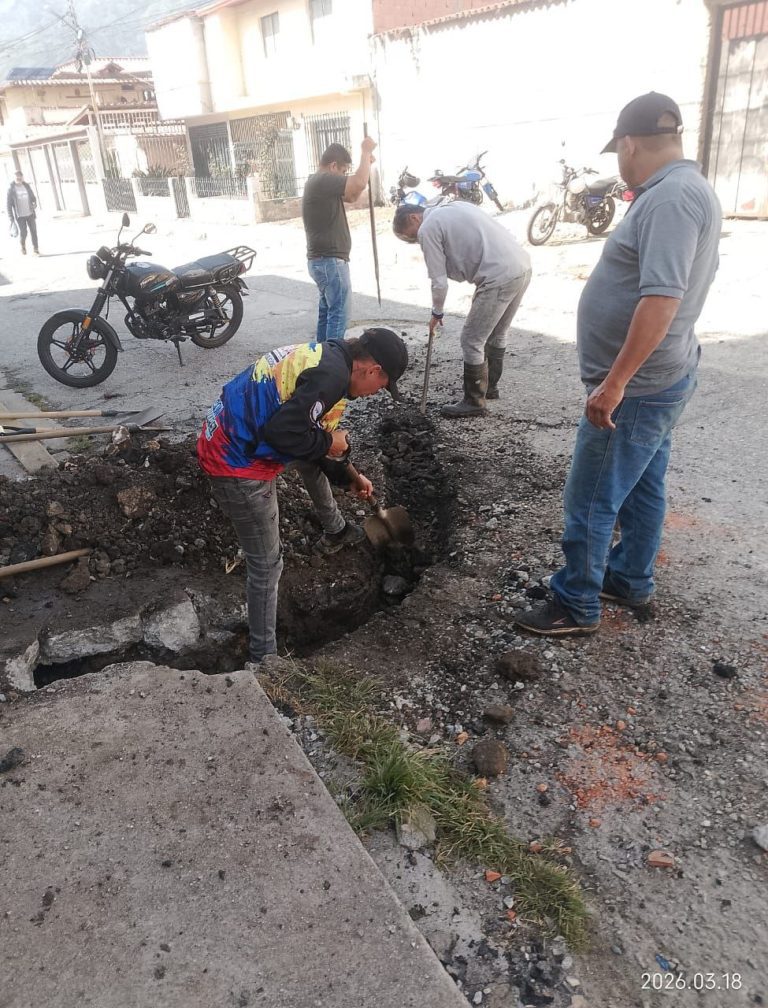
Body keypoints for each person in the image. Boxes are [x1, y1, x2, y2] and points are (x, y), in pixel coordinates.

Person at [515, 92, 721, 637]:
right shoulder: (684, 189)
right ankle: (629, 578)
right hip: (660, 379)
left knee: (590, 498)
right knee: (643, 485)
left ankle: (575, 603)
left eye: (619, 153)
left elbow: (662, 299)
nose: (620, 163)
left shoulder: (672, 199)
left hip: (639, 388)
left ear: (629, 144)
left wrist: (615, 383)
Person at [197, 328, 409, 664]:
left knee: (311, 460)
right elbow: (284, 433)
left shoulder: (333, 357)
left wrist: (349, 475)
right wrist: (328, 443)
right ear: (373, 370)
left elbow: (312, 436)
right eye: (381, 386)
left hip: (237, 432)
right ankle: (264, 659)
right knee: (267, 564)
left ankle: (336, 529)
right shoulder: (331, 378)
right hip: (234, 460)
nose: (374, 394)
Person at [393, 199, 531, 418]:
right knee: (497, 332)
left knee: (471, 339)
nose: (416, 241)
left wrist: (437, 312)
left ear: (414, 218)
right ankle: (490, 387)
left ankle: (474, 401)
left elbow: (439, 281)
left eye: (412, 237)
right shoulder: (453, 206)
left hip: (498, 276)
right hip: (521, 266)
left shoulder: (428, 227)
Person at [302, 138, 377, 343]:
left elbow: (352, 195)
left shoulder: (319, 184)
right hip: (330, 261)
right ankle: (333, 359)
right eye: (343, 171)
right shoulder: (322, 180)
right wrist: (365, 152)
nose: (344, 176)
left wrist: (366, 164)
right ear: (333, 166)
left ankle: (321, 357)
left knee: (327, 313)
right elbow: (358, 183)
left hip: (324, 261)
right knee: (338, 317)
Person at [6, 170, 39, 255]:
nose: (18, 177)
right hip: (20, 216)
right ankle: (23, 246)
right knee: (24, 233)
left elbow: (33, 197)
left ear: (22, 177)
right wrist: (11, 218)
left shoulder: (26, 186)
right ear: (14, 177)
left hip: (30, 213)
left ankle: (35, 249)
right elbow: (8, 205)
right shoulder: (11, 189)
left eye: (20, 176)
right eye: (17, 176)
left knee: (34, 231)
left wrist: (34, 203)